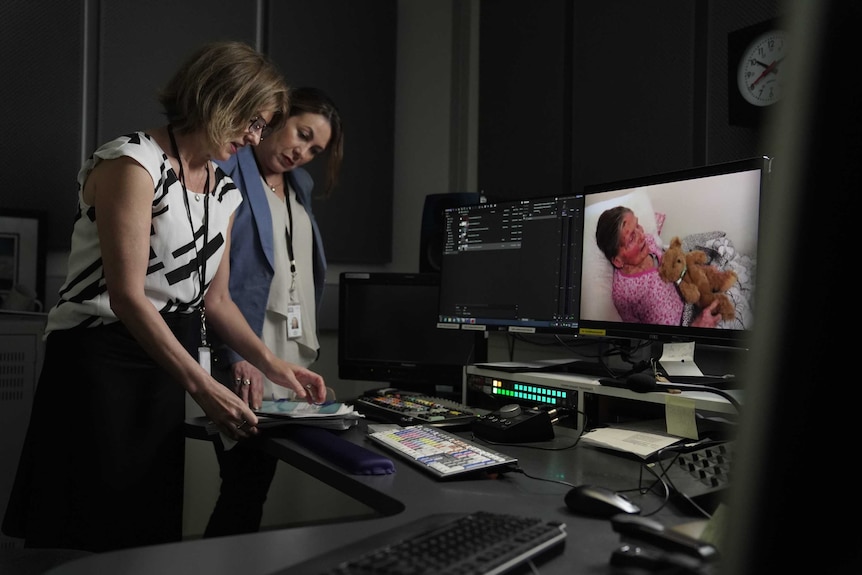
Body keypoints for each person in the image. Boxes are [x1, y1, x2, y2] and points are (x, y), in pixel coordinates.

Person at [1, 41, 328, 553]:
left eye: (264, 126)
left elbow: (215, 302)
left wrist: (272, 365)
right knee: (86, 531)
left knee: (144, 533)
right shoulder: (132, 162)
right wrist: (202, 387)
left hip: (162, 365)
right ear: (217, 98)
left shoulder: (225, 191)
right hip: (99, 359)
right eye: (252, 120)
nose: (254, 136)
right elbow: (129, 297)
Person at [203, 86, 344, 537]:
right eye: (301, 135)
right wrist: (232, 353)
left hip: (288, 355)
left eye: (315, 149)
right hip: (242, 348)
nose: (302, 152)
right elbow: (206, 278)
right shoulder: (224, 167)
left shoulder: (299, 187)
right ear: (277, 118)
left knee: (254, 485)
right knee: (243, 484)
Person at [595, 206, 722, 327]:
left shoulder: (648, 243)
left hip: (689, 292)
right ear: (617, 261)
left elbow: (673, 263)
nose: (642, 235)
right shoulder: (625, 295)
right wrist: (696, 327)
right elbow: (643, 342)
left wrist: (701, 271)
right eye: (632, 238)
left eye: (638, 225)